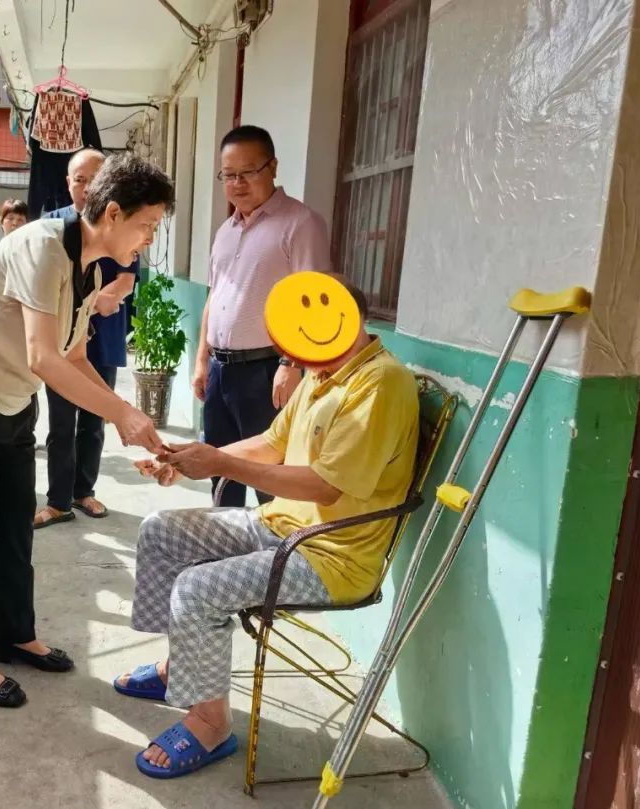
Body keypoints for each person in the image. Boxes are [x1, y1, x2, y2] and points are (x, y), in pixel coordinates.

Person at [115, 277, 419, 778]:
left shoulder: (380, 383)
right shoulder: (323, 372)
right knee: (160, 530)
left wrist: (221, 464)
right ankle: (180, 667)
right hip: (278, 527)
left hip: (329, 558)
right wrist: (186, 461)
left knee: (198, 588)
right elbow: (271, 444)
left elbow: (325, 487)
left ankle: (210, 725)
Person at [0, 154, 175, 708]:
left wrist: (126, 413)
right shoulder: (43, 246)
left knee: (15, 522)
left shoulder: (91, 267)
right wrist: (120, 414)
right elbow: (44, 356)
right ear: (113, 213)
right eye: (147, 225)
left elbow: (75, 355)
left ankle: (14, 633)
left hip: (14, 397)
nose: (149, 239)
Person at [193, 125, 331, 508]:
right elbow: (214, 297)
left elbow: (315, 300)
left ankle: (272, 546)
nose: (237, 184)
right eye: (229, 175)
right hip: (220, 372)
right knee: (220, 469)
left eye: (248, 172)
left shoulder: (301, 223)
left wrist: (291, 363)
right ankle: (224, 542)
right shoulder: (225, 231)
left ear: (272, 167)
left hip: (267, 372)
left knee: (270, 478)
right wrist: (202, 360)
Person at [34, 149, 139, 528]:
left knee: (95, 419)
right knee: (61, 421)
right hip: (61, 337)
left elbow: (125, 282)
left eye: (95, 181)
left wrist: (88, 304)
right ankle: (58, 500)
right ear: (68, 183)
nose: (87, 188)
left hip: (102, 337)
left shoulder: (119, 224)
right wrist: (87, 304)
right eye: (80, 180)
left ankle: (84, 491)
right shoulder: (52, 226)